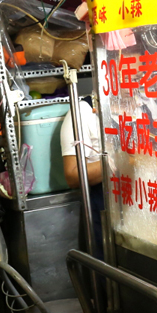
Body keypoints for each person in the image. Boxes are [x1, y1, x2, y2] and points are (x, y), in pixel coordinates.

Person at [60, 99, 105, 256]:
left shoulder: (147, 103)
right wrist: (120, 161)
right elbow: (73, 175)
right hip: (106, 212)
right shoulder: (83, 111)